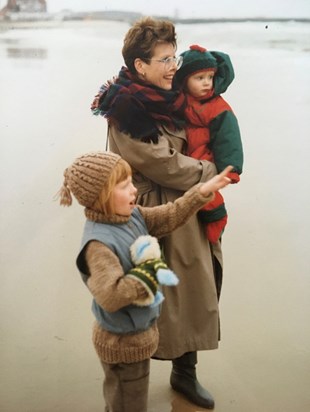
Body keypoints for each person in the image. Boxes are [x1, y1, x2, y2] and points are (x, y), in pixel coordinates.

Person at [91, 16, 229, 409]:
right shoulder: (125, 108)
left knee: (196, 288)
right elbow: (161, 162)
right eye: (165, 59)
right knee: (152, 302)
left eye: (174, 57)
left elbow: (219, 77)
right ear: (140, 66)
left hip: (185, 207)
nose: (174, 66)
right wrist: (210, 171)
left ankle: (185, 373)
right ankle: (134, 390)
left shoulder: (172, 97)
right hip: (153, 213)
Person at [57, 150, 232, 412]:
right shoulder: (98, 244)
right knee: (129, 403)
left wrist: (201, 191)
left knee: (127, 397)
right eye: (125, 185)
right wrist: (151, 269)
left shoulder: (131, 216)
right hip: (122, 343)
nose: (134, 191)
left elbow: (169, 215)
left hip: (138, 337)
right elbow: (111, 295)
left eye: (132, 183)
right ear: (101, 196)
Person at [175, 44, 243, 244]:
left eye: (210, 77)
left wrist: (230, 169)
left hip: (204, 151)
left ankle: (217, 217)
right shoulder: (180, 99)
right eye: (199, 78)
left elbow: (229, 138)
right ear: (184, 80)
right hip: (187, 148)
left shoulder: (218, 107)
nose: (206, 83)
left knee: (204, 189)